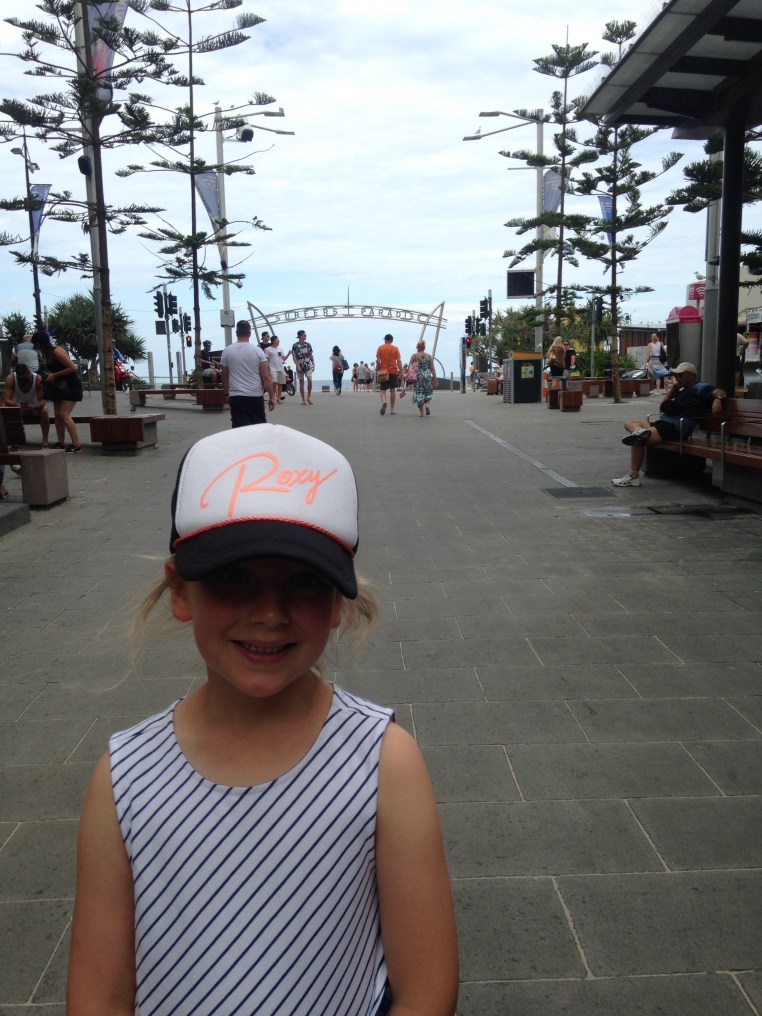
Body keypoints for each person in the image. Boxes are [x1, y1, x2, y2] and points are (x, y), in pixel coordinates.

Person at [67, 423, 459, 1016]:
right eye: (233, 577)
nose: (270, 613)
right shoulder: (123, 779)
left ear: (337, 603)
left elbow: (427, 990)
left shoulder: (384, 764)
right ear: (180, 592)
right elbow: (99, 996)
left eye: (304, 582)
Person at [611, 362, 727, 487]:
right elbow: (663, 407)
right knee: (629, 423)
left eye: (681, 375)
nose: (677, 378)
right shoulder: (681, 390)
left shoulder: (701, 387)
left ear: (692, 376)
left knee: (637, 439)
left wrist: (717, 400)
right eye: (676, 375)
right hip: (664, 423)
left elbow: (720, 391)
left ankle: (633, 476)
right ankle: (639, 431)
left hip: (676, 427)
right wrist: (672, 390)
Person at [32, 330, 83, 452]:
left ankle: (77, 445)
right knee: (57, 415)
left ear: (42, 343)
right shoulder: (47, 353)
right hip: (58, 386)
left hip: (70, 385)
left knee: (63, 414)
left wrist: (55, 375)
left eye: (38, 345)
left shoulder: (56, 351)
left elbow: (72, 367)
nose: (37, 348)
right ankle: (61, 442)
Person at [220, 319, 275, 427]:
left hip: (236, 396)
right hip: (255, 395)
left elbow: (225, 376)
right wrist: (272, 396)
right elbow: (266, 376)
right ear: (250, 334)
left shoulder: (227, 351)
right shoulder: (258, 351)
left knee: (240, 430)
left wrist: (226, 393)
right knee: (259, 429)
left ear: (237, 333)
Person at [3, 363, 50, 447]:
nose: (23, 381)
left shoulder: (38, 379)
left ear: (29, 373)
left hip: (35, 407)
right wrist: (17, 405)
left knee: (45, 411)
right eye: (20, 379)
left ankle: (45, 440)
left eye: (25, 378)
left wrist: (34, 406)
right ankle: (12, 440)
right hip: (17, 407)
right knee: (5, 408)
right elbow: (7, 400)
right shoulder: (11, 378)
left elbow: (43, 400)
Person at [408, 339, 438, 417]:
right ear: (424, 347)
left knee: (419, 393)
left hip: (418, 377)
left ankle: (421, 413)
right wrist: (435, 378)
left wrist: (408, 378)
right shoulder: (429, 356)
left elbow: (410, 367)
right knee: (428, 392)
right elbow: (432, 369)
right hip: (427, 376)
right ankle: (427, 405)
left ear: (418, 347)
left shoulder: (414, 356)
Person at [284, 329, 315, 405]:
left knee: (310, 380)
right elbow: (294, 356)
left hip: (308, 365)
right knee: (301, 382)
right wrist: (297, 365)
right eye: (304, 335)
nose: (305, 336)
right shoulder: (295, 345)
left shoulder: (308, 344)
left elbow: (311, 355)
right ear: (300, 336)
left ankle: (309, 397)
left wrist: (313, 363)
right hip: (300, 365)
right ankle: (303, 399)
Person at [376, 333, 402, 416]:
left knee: (383, 390)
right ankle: (392, 409)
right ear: (392, 340)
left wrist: (379, 368)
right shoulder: (395, 348)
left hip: (383, 371)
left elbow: (378, 361)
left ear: (385, 340)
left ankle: (384, 402)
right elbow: (399, 361)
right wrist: (401, 372)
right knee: (392, 390)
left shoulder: (380, 348)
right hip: (393, 371)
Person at [264, 335, 285, 402]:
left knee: (280, 384)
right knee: (274, 382)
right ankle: (272, 396)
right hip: (272, 368)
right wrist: (267, 368)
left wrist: (288, 354)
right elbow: (267, 359)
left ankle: (279, 398)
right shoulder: (268, 349)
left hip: (280, 368)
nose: (279, 341)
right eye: (277, 340)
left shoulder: (280, 349)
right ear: (274, 341)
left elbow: (283, 358)